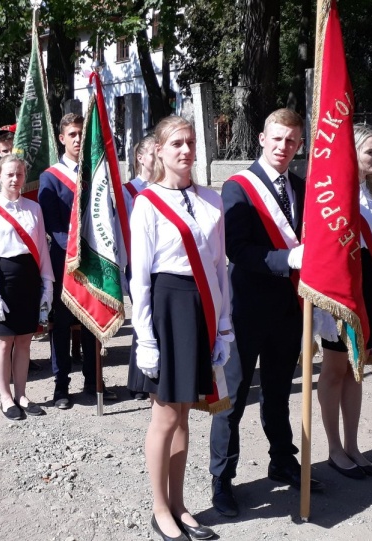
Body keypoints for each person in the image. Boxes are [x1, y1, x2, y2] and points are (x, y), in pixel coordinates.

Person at [210, 108, 322, 518]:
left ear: (299, 145)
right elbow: (237, 250)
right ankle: (222, 479)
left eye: (291, 141)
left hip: (290, 310)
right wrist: (287, 259)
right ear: (262, 138)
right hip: (246, 310)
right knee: (233, 401)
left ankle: (282, 460)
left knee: (278, 394)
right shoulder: (238, 188)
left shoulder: (302, 186)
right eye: (277, 139)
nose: (283, 147)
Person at [130, 116, 230, 541]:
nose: (186, 150)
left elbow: (219, 268)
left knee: (186, 413)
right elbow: (140, 278)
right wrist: (146, 341)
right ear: (159, 151)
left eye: (190, 142)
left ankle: (179, 502)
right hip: (166, 309)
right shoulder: (148, 203)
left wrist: (223, 327)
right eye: (176, 144)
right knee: (166, 416)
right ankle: (159, 509)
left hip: (201, 308)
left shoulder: (212, 201)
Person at [315, 125, 372, 480]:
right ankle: (334, 448)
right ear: (351, 153)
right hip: (341, 293)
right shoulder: (333, 195)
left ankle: (353, 445)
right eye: (369, 152)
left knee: (356, 370)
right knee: (334, 370)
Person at [38, 113, 115, 409]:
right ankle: (61, 387)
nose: (78, 138)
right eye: (72, 134)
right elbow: (53, 225)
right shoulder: (51, 177)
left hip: (94, 261)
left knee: (92, 322)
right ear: (62, 138)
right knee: (62, 326)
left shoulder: (94, 174)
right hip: (66, 262)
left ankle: (94, 381)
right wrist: (74, 253)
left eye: (81, 133)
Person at [0, 155, 53, 420]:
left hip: (30, 279)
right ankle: (5, 397)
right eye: (10, 174)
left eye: (19, 174)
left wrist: (48, 286)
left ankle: (21, 394)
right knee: (3, 341)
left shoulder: (34, 208)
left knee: (24, 341)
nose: (15, 179)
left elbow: (42, 249)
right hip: (5, 279)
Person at [125, 135, 157, 401]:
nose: (158, 158)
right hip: (137, 262)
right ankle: (138, 382)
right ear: (140, 158)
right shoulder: (128, 190)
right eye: (153, 153)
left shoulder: (166, 187)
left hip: (161, 263)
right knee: (142, 319)